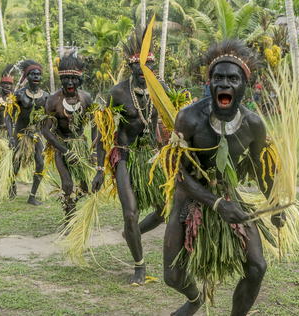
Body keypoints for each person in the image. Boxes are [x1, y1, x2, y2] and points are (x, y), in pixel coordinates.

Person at [162, 40, 286, 316]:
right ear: (209, 83)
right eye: (218, 78)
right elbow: (177, 174)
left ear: (245, 84)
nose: (224, 84)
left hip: (228, 192)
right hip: (190, 195)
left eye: (233, 78)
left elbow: (260, 169)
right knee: (172, 275)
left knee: (257, 267)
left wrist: (275, 202)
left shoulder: (253, 124)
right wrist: (217, 205)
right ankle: (195, 300)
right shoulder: (189, 118)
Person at [91, 28, 167, 285]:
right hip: (123, 156)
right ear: (131, 67)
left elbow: (174, 121)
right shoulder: (118, 93)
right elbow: (102, 130)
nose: (146, 73)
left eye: (150, 67)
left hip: (151, 156)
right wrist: (100, 170)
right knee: (131, 214)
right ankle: (139, 266)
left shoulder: (161, 89)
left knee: (164, 211)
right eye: (141, 67)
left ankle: (131, 234)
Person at [42, 52, 94, 222]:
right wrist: (64, 151)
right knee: (67, 184)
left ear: (79, 79)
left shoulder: (86, 98)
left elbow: (95, 125)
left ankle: (69, 201)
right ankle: (69, 220)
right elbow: (46, 131)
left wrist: (93, 151)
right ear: (60, 79)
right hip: (61, 147)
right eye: (66, 78)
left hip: (80, 146)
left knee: (86, 186)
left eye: (73, 78)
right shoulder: (53, 100)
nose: (70, 82)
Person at [7, 60, 50, 206]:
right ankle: (12, 185)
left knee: (40, 163)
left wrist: (50, 135)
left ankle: (32, 195)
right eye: (33, 74)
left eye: (38, 74)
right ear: (27, 76)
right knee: (16, 162)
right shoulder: (19, 94)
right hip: (20, 133)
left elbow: (49, 117)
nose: (36, 76)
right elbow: (9, 115)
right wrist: (11, 137)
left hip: (36, 133)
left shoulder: (45, 96)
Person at [0, 64, 15, 129]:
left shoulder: (15, 97)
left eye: (10, 84)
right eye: (5, 84)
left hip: (11, 130)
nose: (8, 86)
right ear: (1, 85)